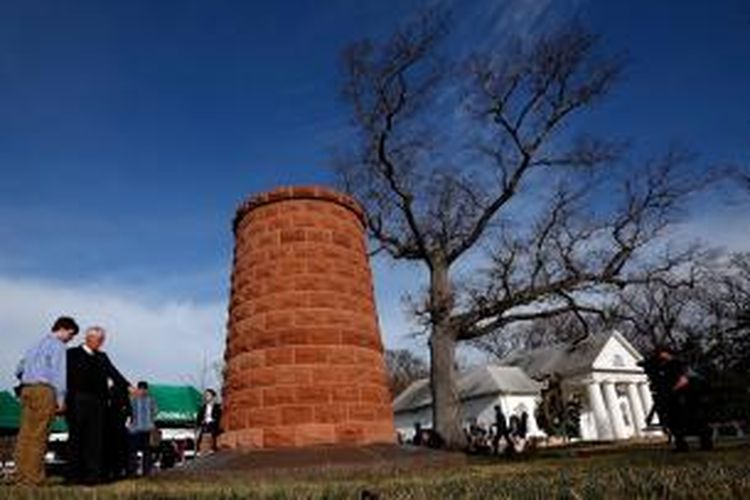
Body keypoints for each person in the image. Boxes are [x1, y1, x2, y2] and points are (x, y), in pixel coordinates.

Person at [13, 316, 79, 486]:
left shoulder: (36, 344)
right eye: (71, 335)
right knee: (39, 436)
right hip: (44, 390)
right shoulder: (58, 346)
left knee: (25, 435)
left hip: (27, 389)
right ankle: (33, 478)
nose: (70, 339)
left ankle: (20, 475)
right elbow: (58, 374)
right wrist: (61, 399)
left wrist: (29, 378)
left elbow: (19, 368)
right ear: (63, 329)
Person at [66, 326, 132, 485]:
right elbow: (64, 378)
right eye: (99, 339)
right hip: (77, 401)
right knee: (76, 439)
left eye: (103, 339)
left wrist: (129, 387)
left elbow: (114, 373)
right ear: (88, 338)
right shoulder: (72, 354)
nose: (102, 342)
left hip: (98, 403)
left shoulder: (102, 357)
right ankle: (74, 476)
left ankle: (93, 476)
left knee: (95, 441)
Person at [647, 345, 713, 452]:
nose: (658, 355)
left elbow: (684, 379)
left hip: (687, 396)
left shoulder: (678, 363)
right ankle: (681, 445)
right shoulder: (663, 367)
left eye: (660, 353)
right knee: (674, 423)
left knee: (696, 420)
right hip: (674, 399)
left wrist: (672, 390)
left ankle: (706, 443)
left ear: (667, 353)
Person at [128, 381, 158, 476]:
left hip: (137, 430)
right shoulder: (151, 400)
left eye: (142, 389)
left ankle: (134, 471)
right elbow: (155, 412)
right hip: (145, 429)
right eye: (142, 389)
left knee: (136, 452)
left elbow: (129, 412)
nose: (142, 391)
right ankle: (145, 472)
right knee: (146, 452)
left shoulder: (133, 399)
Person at [104, 384, 132, 481]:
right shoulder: (124, 399)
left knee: (110, 451)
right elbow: (129, 412)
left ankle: (110, 471)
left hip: (109, 428)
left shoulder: (109, 397)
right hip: (120, 428)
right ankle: (119, 471)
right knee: (122, 451)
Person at [195, 388, 221, 454]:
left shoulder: (217, 407)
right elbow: (199, 418)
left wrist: (213, 420)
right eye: (206, 395)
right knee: (200, 432)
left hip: (213, 423)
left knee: (213, 430)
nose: (206, 397)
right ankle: (198, 450)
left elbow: (218, 416)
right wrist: (199, 424)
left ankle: (213, 447)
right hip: (205, 423)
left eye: (208, 395)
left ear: (213, 397)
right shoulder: (203, 408)